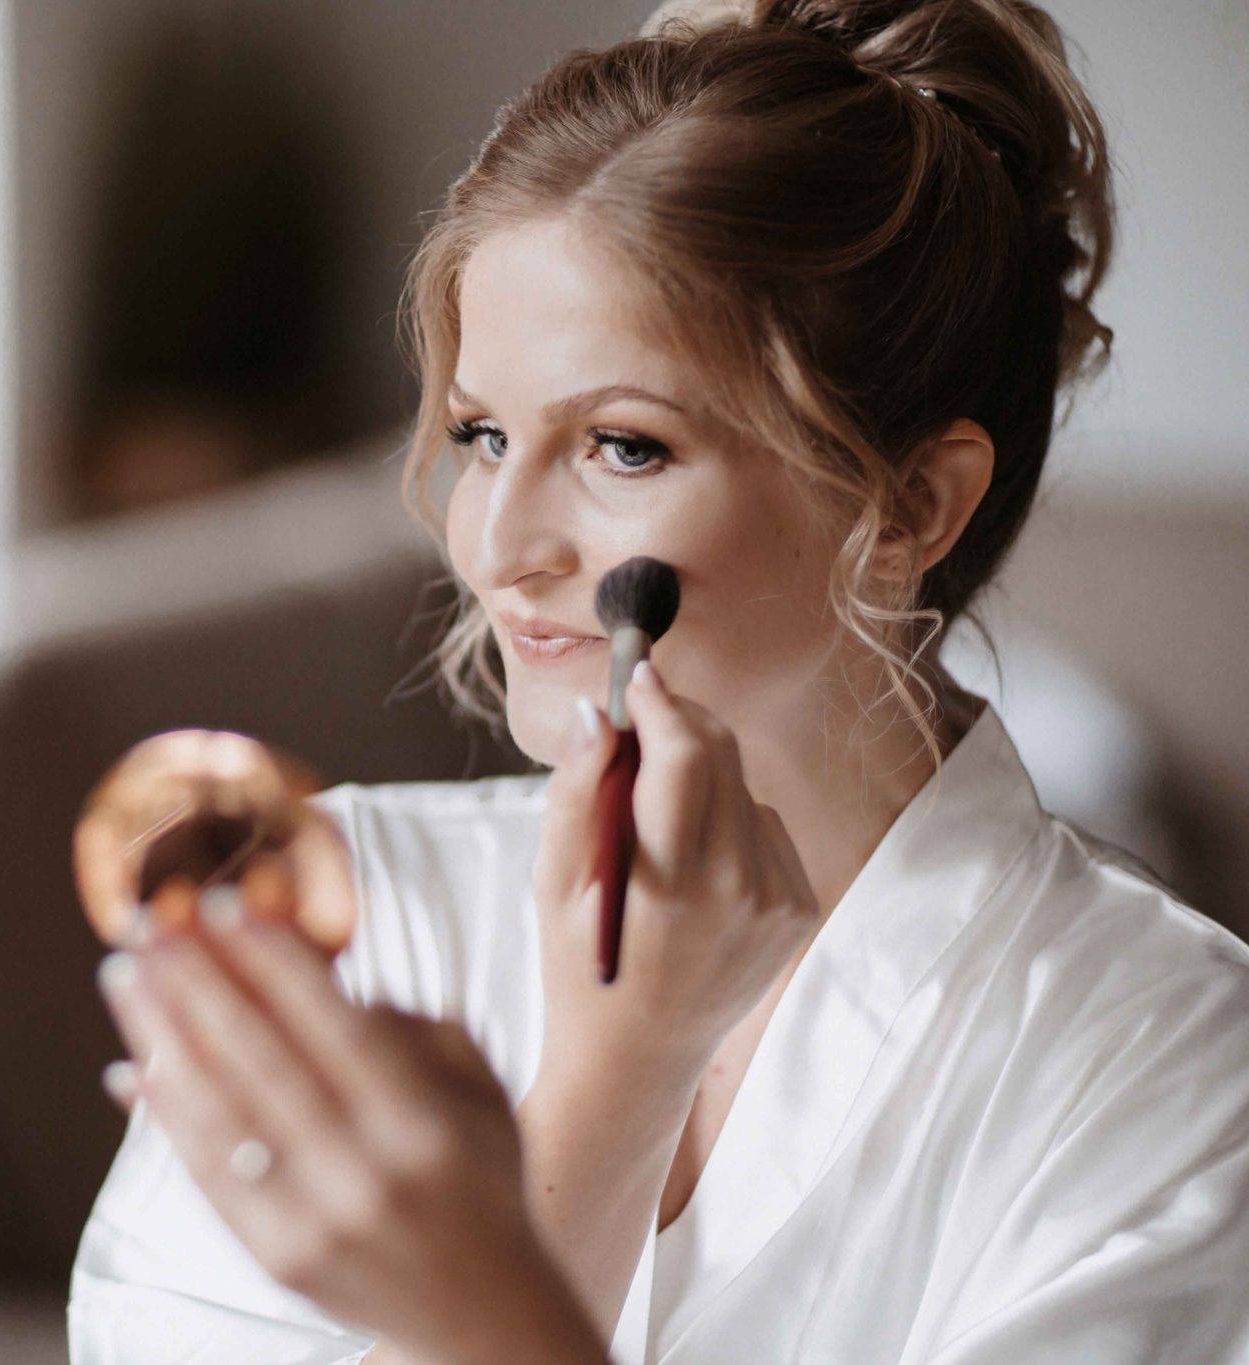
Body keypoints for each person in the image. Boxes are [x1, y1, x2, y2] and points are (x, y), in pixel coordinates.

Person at [67, 0, 1249, 1360]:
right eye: (484, 433)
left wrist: (542, 1187)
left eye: (624, 447)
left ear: (916, 501)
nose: (498, 545)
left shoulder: (1166, 1066)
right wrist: (606, 1089)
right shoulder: (349, 918)